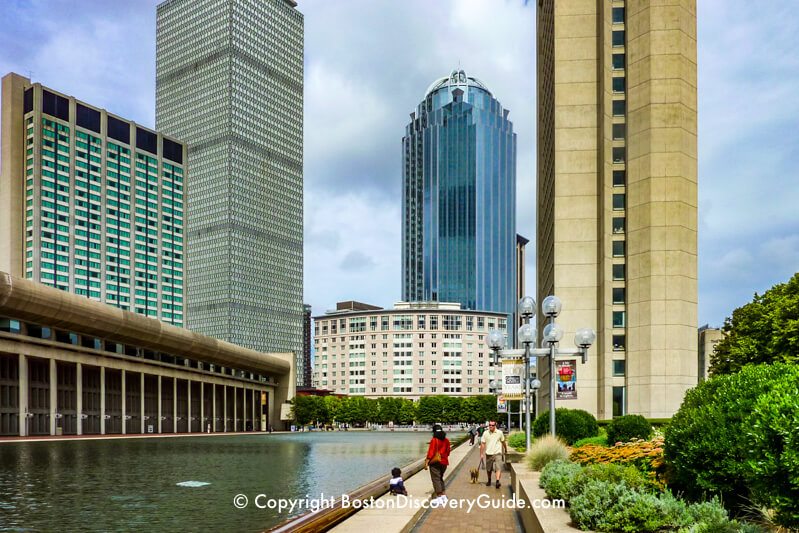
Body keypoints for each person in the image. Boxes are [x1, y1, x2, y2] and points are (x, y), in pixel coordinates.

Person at [424, 424, 451, 504]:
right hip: (444, 462)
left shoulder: (434, 440)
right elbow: (448, 452)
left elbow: (431, 453)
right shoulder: (446, 440)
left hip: (436, 462)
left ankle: (438, 497)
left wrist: (427, 461)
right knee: (440, 478)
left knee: (436, 479)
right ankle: (443, 495)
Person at [480, 419, 507, 488]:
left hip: (497, 452)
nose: (491, 426)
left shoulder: (500, 433)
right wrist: (481, 454)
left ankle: (497, 481)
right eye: (490, 425)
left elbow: (503, 442)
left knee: (498, 467)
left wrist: (505, 450)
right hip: (489, 453)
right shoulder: (485, 433)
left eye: (492, 425)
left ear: (495, 425)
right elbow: (483, 443)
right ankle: (489, 480)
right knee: (489, 469)